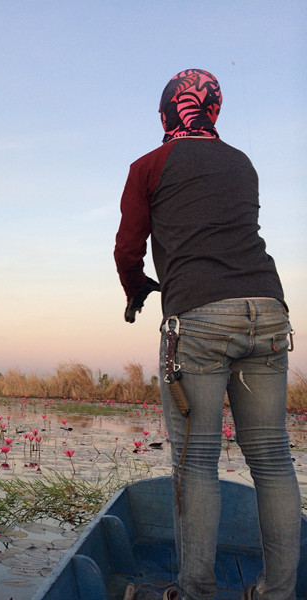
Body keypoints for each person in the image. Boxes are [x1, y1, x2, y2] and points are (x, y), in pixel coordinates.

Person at [114, 69, 300, 600]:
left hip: (197, 320)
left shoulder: (148, 167)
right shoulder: (242, 163)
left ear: (170, 111)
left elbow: (128, 250)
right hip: (268, 311)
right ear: (213, 111)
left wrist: (136, 290)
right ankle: (278, 593)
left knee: (195, 463)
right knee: (271, 458)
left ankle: (194, 593)